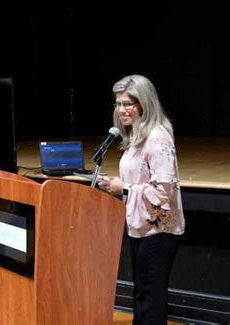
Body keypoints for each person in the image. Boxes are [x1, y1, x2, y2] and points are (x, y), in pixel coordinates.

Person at [100, 75, 185, 325]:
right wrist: (118, 184)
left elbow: (162, 193)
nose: (122, 109)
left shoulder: (157, 139)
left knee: (150, 299)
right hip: (143, 228)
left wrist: (124, 189)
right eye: (118, 104)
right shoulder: (137, 135)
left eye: (129, 103)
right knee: (144, 296)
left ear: (144, 103)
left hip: (159, 231)